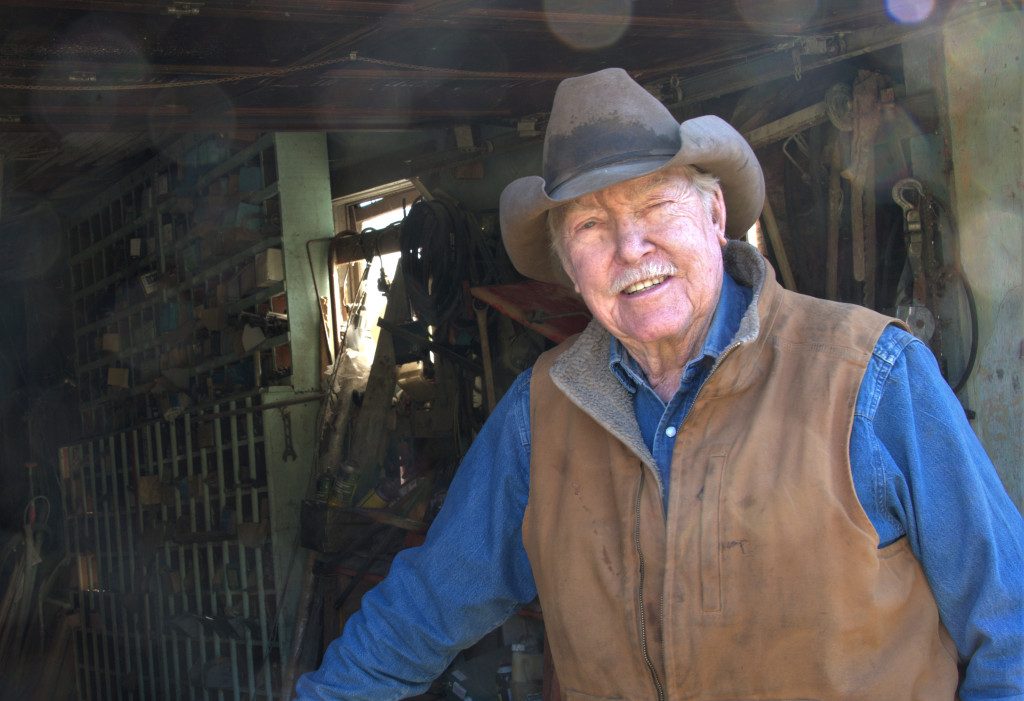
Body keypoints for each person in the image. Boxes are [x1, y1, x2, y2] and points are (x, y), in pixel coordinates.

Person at [296, 68, 1024, 700]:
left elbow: (1012, 629)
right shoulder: (541, 411)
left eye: (656, 207)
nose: (630, 249)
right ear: (567, 264)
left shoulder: (871, 376)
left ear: (714, 214)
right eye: (590, 226)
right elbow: (427, 603)